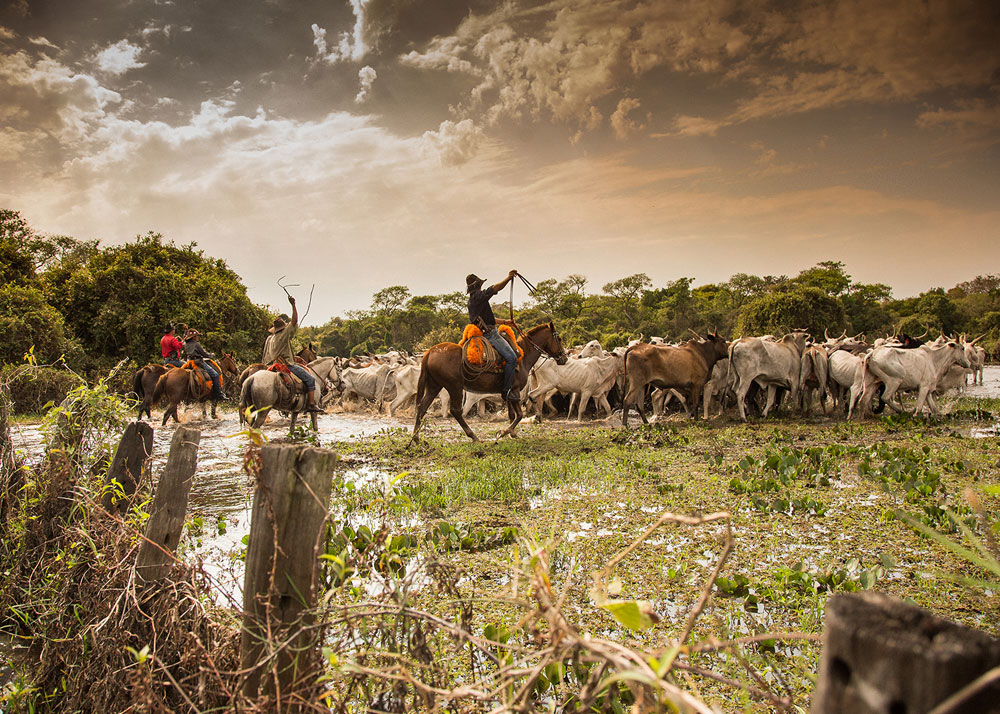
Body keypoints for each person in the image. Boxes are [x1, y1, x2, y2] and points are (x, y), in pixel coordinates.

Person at [466, 269, 520, 402]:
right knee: (512, 358)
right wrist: (508, 278)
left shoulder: (473, 300)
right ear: (477, 286)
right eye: (479, 285)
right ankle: (506, 391)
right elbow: (495, 288)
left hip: (482, 332)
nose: (481, 287)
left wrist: (506, 322)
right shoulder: (479, 296)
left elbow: (488, 319)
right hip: (490, 335)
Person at [263, 294, 322, 413]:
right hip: (287, 365)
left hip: (274, 364)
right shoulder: (284, 334)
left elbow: (280, 353)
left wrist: (295, 357)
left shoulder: (272, 338)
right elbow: (294, 321)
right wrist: (293, 305)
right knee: (310, 380)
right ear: (283, 328)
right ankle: (311, 404)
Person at [183, 329, 226, 401]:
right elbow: (204, 354)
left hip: (189, 362)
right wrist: (211, 355)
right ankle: (218, 394)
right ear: (194, 337)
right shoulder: (196, 344)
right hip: (198, 363)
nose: (197, 337)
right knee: (215, 374)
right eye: (197, 336)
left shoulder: (186, 344)